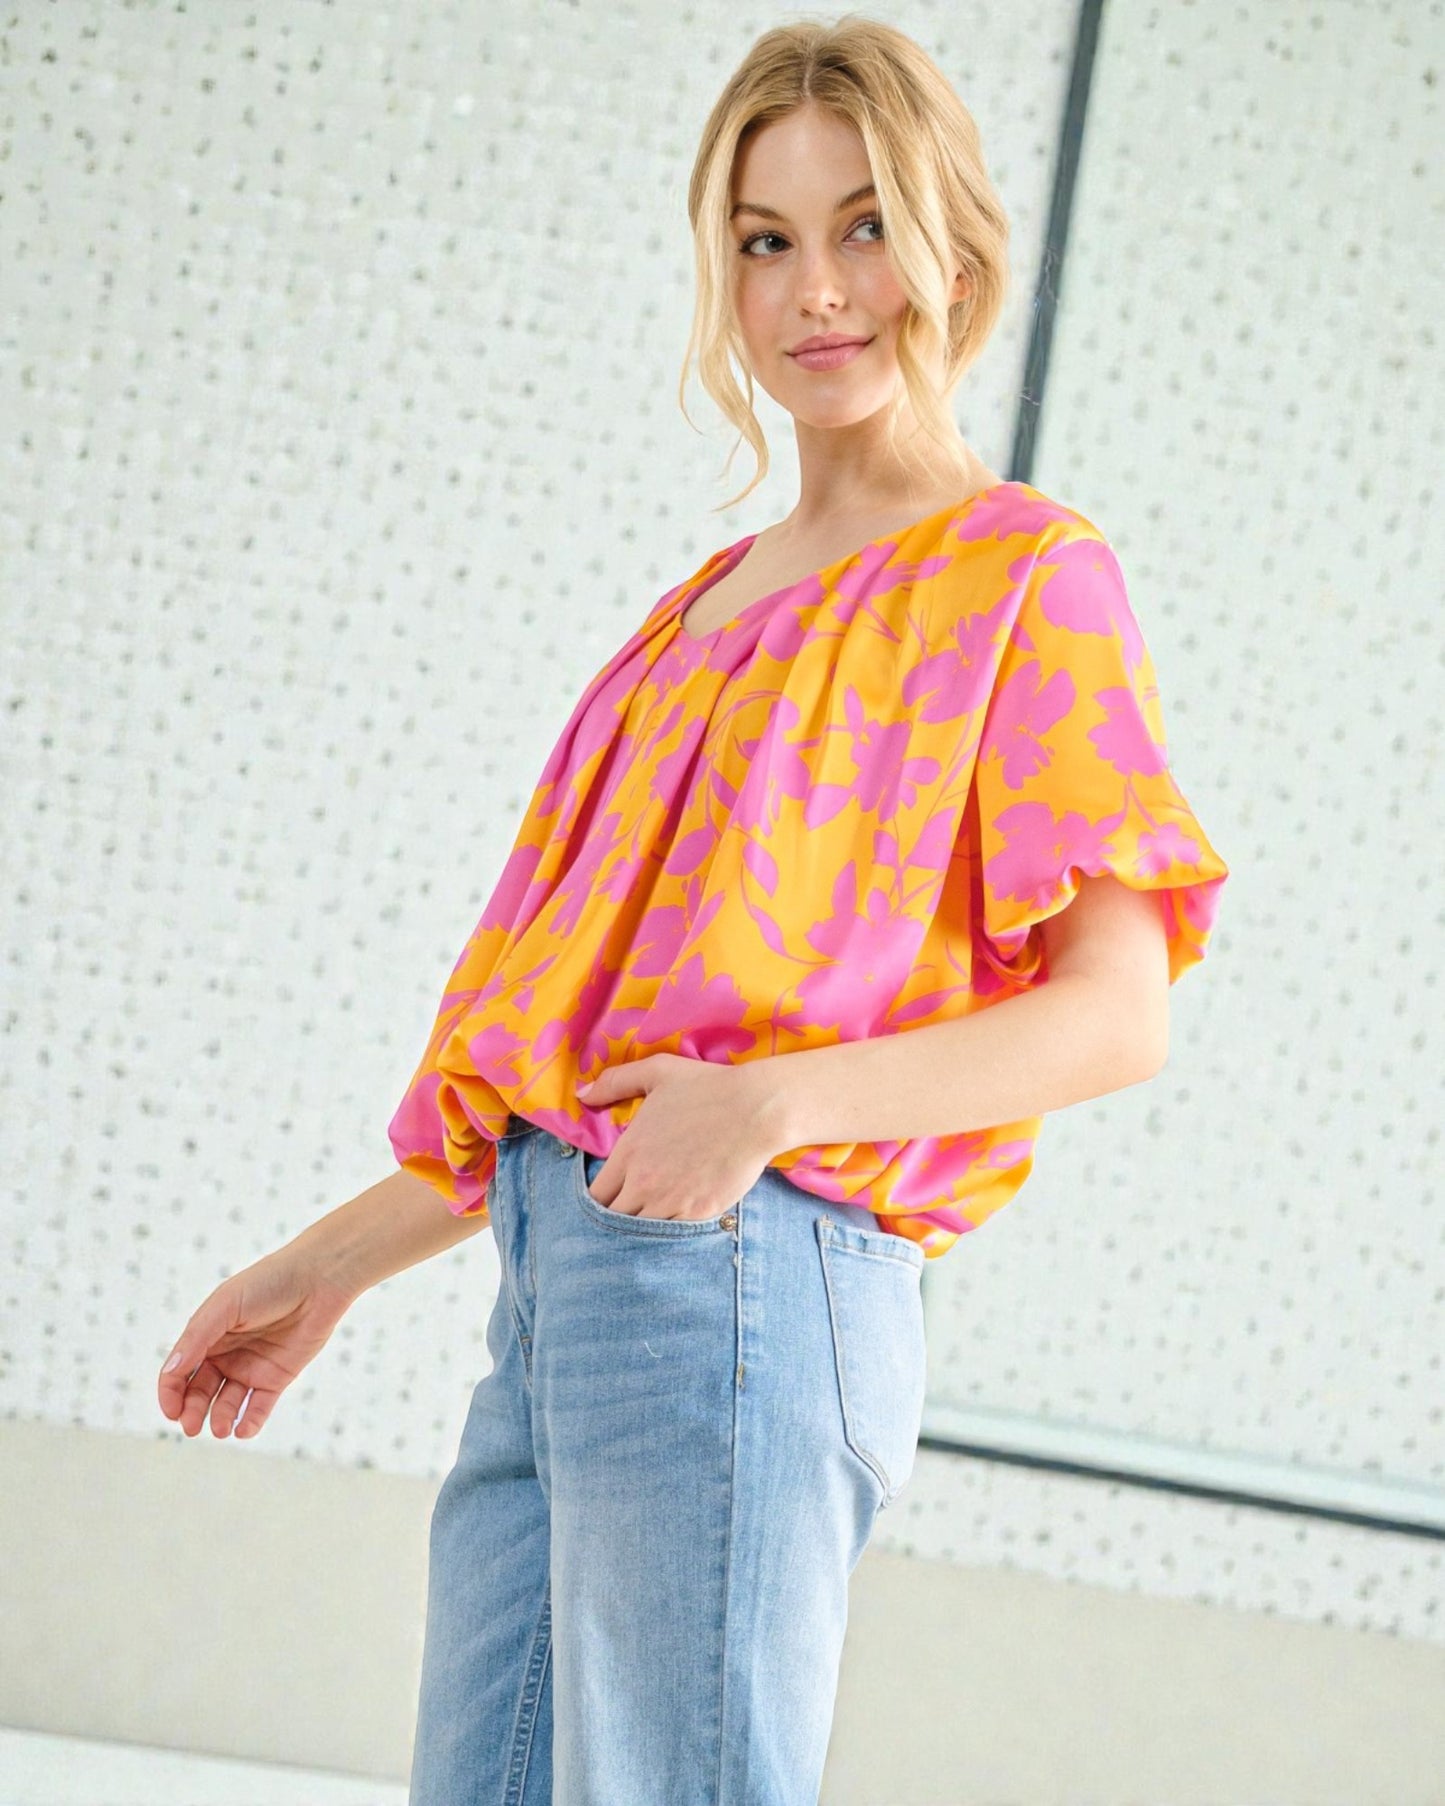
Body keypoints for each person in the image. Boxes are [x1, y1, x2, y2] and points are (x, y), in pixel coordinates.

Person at [157, 16, 1229, 1805]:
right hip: (556, 1293)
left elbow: (1117, 1010)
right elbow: (563, 1067)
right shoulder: (699, 610)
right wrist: (313, 1272)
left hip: (750, 1278)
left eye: (864, 224)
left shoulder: (1019, 573)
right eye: (765, 239)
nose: (819, 289)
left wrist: (779, 1100)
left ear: (954, 245)